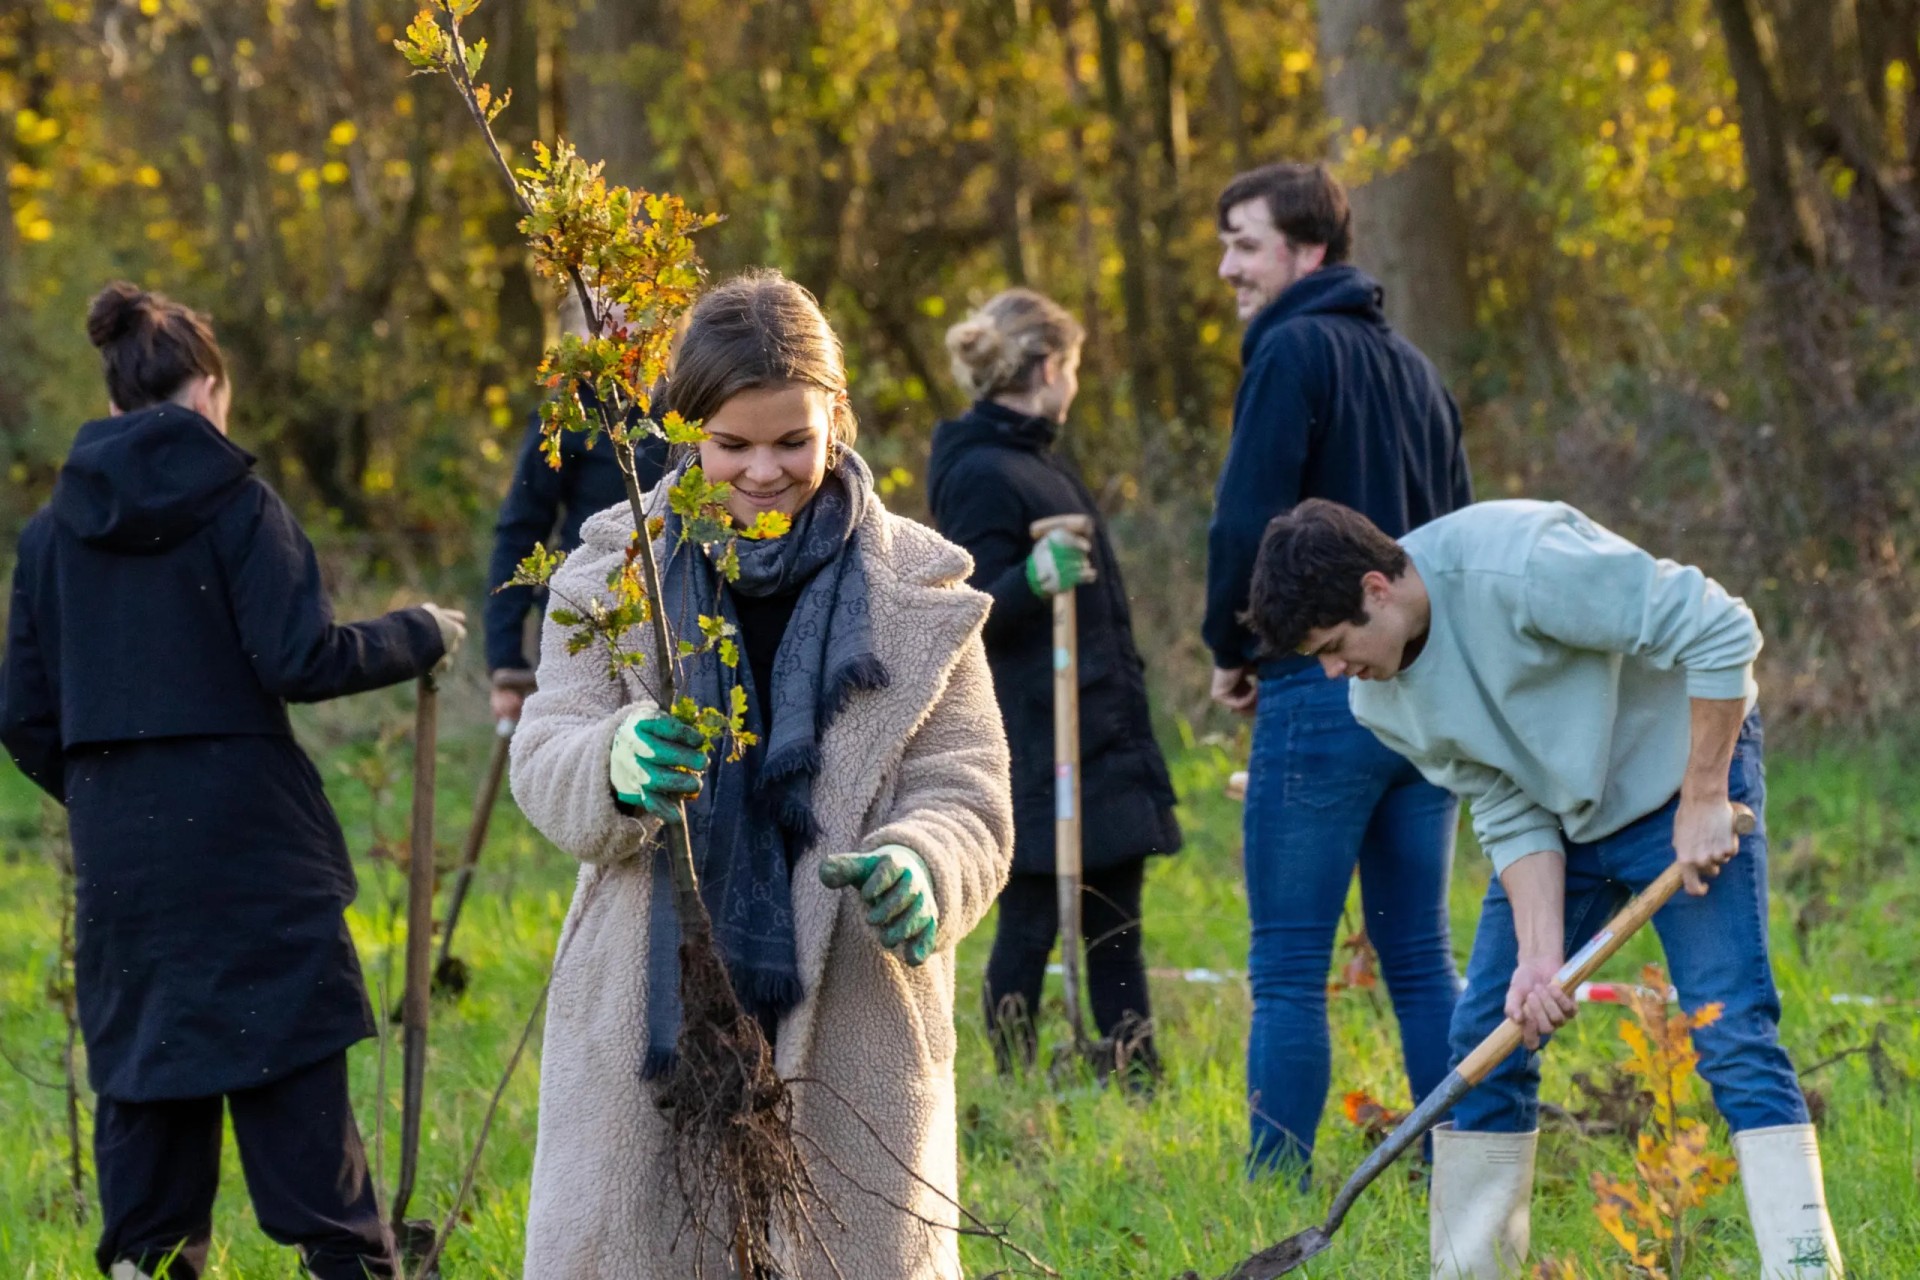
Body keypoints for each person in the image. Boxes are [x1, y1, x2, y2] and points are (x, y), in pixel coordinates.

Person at [509, 268, 1014, 1279]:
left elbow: (968, 789)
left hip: (856, 1019)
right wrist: (610, 758)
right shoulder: (614, 575)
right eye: (731, 445)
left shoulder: (919, 591)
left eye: (793, 441)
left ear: (840, 421)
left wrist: (921, 862)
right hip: (652, 1007)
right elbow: (547, 740)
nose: (764, 471)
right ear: (683, 433)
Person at [1244, 497, 1843, 1280]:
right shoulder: (1378, 699)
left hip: (1677, 781)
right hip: (1561, 820)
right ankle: (1472, 1271)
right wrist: (1537, 956)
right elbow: (1501, 799)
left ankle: (1803, 1267)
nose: (1332, 671)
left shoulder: (1520, 564)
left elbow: (1720, 627)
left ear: (1376, 589)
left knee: (1729, 1030)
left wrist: (1702, 797)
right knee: (1489, 1043)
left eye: (1334, 644)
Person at [0, 283, 466, 1280]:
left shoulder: (48, 538)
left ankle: (145, 1259)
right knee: (295, 1095)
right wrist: (416, 632)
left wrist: (108, 791)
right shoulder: (240, 502)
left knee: (148, 1087)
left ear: (115, 396)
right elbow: (301, 658)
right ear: (211, 388)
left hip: (126, 859)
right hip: (253, 849)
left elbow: (23, 718)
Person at [1204, 160, 1475, 1177]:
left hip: (1318, 692)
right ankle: (1462, 1168)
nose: (1228, 266)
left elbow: (1246, 517)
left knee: (1286, 968)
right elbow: (1453, 534)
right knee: (1421, 959)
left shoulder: (1287, 352)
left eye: (1244, 241)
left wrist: (1235, 644)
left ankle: (1273, 1187)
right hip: (1425, 698)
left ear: (1307, 250)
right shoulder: (1416, 368)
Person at [926, 287, 1180, 1078]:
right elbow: (960, 609)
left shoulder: (1037, 460)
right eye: (1071, 366)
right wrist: (1029, 580)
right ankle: (1014, 1078)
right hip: (1038, 729)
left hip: (1096, 719)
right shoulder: (980, 471)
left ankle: (1133, 1071)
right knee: (1032, 913)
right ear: (1044, 366)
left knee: (1114, 917)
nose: (1074, 384)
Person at [483, 290, 670, 723]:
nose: (618, 336)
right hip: (585, 625)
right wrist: (506, 661)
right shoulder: (564, 418)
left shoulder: (685, 411)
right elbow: (520, 532)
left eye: (631, 320)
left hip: (674, 620)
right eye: (603, 322)